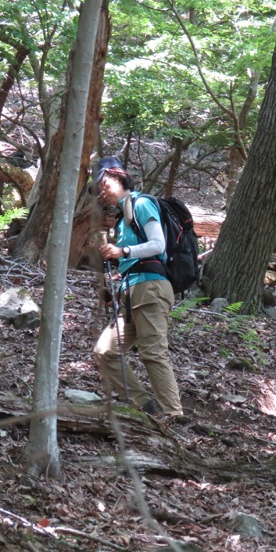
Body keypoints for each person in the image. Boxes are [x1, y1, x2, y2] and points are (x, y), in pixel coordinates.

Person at [92, 156, 186, 421]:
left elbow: (158, 244)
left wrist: (122, 250)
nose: (102, 190)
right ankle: (145, 405)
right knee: (106, 351)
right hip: (132, 293)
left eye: (104, 183)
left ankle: (174, 415)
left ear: (118, 177)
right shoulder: (122, 219)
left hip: (151, 288)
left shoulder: (142, 203)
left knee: (153, 352)